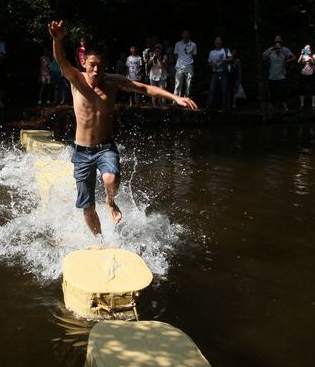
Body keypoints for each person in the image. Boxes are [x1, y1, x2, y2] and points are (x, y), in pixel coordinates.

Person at [49, 20, 198, 236]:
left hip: (105, 147)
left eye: (100, 65)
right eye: (92, 65)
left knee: (110, 179)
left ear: (105, 65)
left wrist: (174, 97)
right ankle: (99, 241)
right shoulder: (76, 79)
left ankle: (110, 202)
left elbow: (144, 88)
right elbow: (61, 61)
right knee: (87, 206)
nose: (96, 70)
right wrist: (56, 40)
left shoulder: (113, 81)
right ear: (84, 64)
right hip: (81, 151)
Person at [262, 36, 295, 110]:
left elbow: (293, 57)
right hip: (272, 76)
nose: (277, 40)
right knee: (272, 92)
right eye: (276, 39)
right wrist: (267, 61)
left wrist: (287, 61)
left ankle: (285, 105)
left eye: (279, 39)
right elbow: (263, 56)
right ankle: (271, 106)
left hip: (281, 76)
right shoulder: (270, 50)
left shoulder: (284, 50)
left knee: (283, 92)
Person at [207, 37, 232, 110]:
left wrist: (224, 60)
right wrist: (211, 65)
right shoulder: (211, 52)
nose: (218, 42)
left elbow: (231, 58)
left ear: (221, 42)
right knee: (212, 89)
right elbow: (208, 62)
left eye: (219, 40)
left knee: (224, 90)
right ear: (214, 42)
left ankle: (224, 106)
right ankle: (210, 106)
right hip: (214, 73)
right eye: (216, 40)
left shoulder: (225, 50)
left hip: (223, 72)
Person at [173, 30, 197, 98]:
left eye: (187, 34)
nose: (186, 35)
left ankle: (186, 101)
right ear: (182, 35)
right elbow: (175, 54)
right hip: (179, 66)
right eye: (184, 34)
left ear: (189, 35)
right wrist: (180, 61)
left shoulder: (193, 44)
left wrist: (188, 61)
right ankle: (176, 101)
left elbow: (194, 55)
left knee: (188, 85)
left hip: (189, 65)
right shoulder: (178, 44)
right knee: (177, 84)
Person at [298, 44, 315, 109]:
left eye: (309, 48)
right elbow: (298, 62)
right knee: (302, 89)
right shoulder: (303, 56)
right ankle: (302, 105)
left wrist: (310, 56)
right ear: (304, 49)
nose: (308, 49)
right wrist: (301, 54)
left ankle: (313, 104)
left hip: (311, 74)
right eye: (307, 48)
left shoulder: (313, 55)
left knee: (313, 89)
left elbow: (314, 62)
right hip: (303, 74)